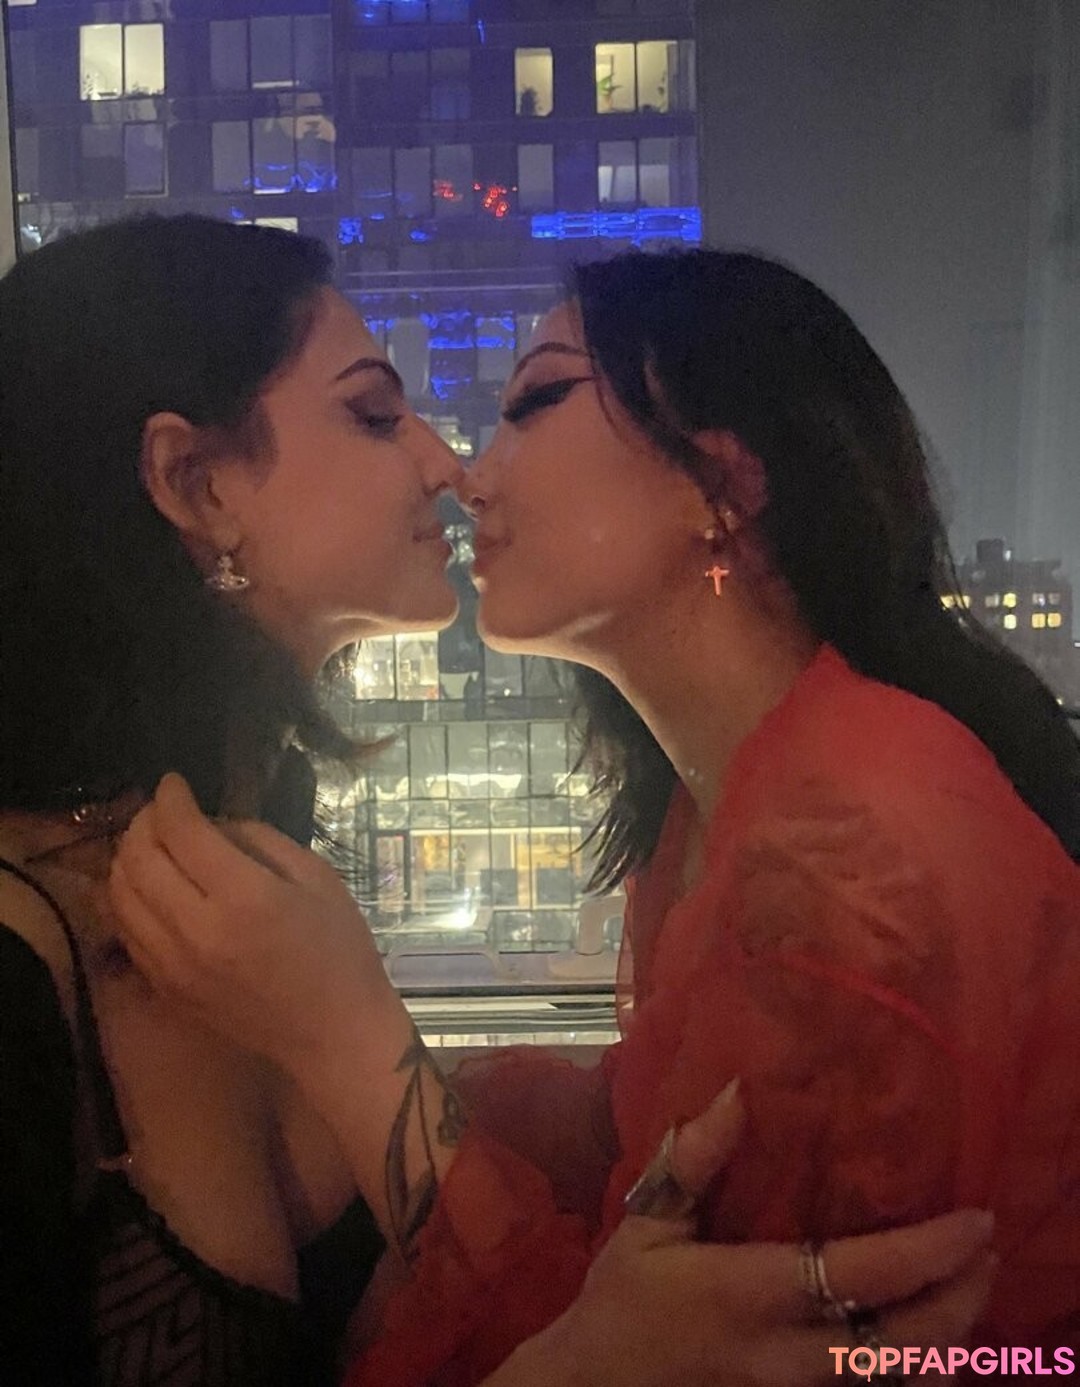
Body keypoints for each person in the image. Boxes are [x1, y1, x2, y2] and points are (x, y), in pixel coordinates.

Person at [0, 217, 987, 1385]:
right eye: (376, 414)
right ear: (196, 484)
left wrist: (372, 1048)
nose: (449, 465)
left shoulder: (840, 845)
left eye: (538, 401)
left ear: (723, 484)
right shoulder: (37, 965)